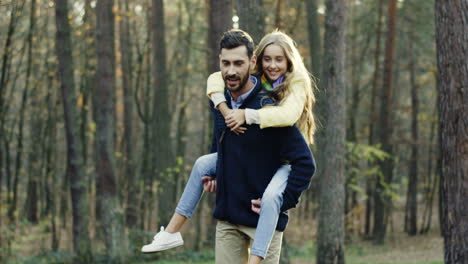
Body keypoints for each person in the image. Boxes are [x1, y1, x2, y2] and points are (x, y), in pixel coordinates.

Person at [142, 29, 316, 263]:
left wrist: (285, 202)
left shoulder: (274, 103)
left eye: (238, 63)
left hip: (265, 210)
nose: (231, 70)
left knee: (273, 195)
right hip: (229, 216)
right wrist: (218, 169)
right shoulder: (225, 93)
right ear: (259, 62)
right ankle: (172, 232)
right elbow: (220, 129)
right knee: (203, 163)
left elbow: (302, 155)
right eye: (226, 63)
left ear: (250, 62)